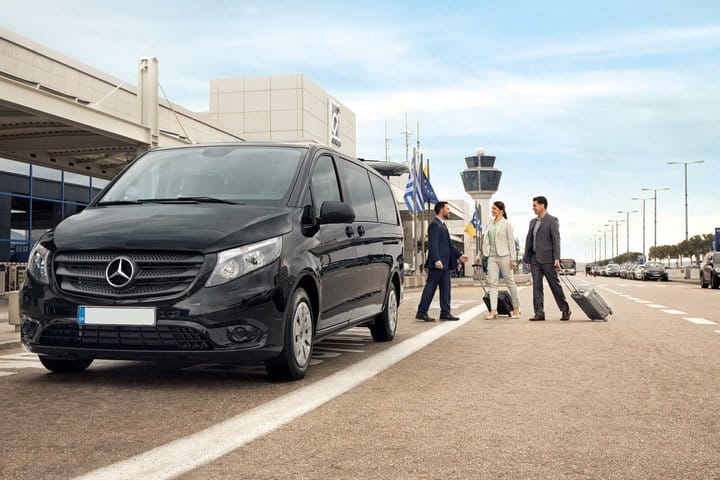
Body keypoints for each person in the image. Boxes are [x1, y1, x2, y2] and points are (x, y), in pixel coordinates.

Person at [416, 201, 468, 322]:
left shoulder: (443, 225)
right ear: (441, 210)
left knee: (446, 289)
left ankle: (445, 312)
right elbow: (433, 245)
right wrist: (436, 260)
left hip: (445, 264)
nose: (449, 211)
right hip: (438, 264)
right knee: (431, 287)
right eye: (447, 209)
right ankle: (421, 312)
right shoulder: (435, 225)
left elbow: (449, 245)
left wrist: (460, 255)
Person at [522, 196, 571, 321]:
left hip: (548, 259)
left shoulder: (552, 220)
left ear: (542, 205)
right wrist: (527, 258)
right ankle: (539, 313)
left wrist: (557, 258)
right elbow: (529, 240)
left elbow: (556, 240)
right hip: (534, 259)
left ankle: (565, 310)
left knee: (555, 285)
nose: (533, 208)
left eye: (535, 205)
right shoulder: (532, 222)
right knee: (537, 287)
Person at [480, 201, 521, 319]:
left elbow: (511, 242)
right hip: (492, 257)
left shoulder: (507, 224)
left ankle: (516, 309)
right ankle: (493, 311)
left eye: (494, 209)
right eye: (492, 208)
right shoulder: (490, 223)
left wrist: (513, 259)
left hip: (505, 256)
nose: (492, 210)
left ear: (501, 211)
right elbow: (485, 241)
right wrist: (480, 255)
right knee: (492, 283)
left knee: (510, 282)